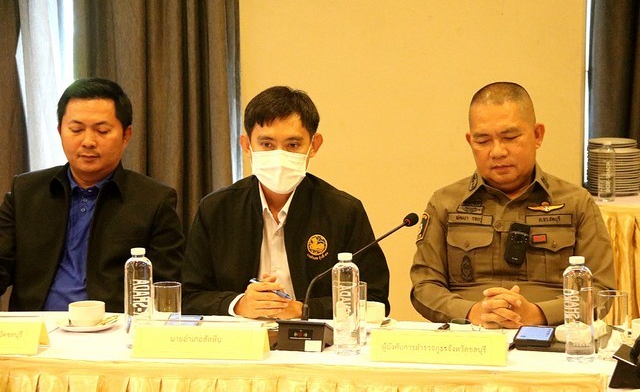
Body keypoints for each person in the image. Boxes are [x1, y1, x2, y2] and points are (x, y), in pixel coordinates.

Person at [410, 81, 615, 329]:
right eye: (483, 141)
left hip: (550, 336)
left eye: (510, 137)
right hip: (469, 336)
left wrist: (537, 314)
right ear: (470, 141)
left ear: (537, 135)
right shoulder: (445, 202)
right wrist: (472, 312)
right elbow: (424, 286)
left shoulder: (576, 203)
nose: (497, 152)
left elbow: (601, 291)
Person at [182, 85, 390, 319]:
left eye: (292, 145)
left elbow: (374, 299)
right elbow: (189, 296)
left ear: (314, 146)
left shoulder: (344, 211)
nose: (279, 156)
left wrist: (303, 309)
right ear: (247, 146)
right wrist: (238, 304)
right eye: (267, 144)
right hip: (240, 337)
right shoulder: (216, 209)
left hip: (316, 338)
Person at [0, 78, 184, 312]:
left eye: (102, 131)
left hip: (114, 329)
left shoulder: (154, 200)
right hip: (37, 330)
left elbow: (166, 288)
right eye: (76, 130)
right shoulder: (26, 192)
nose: (88, 142)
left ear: (126, 135)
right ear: (60, 131)